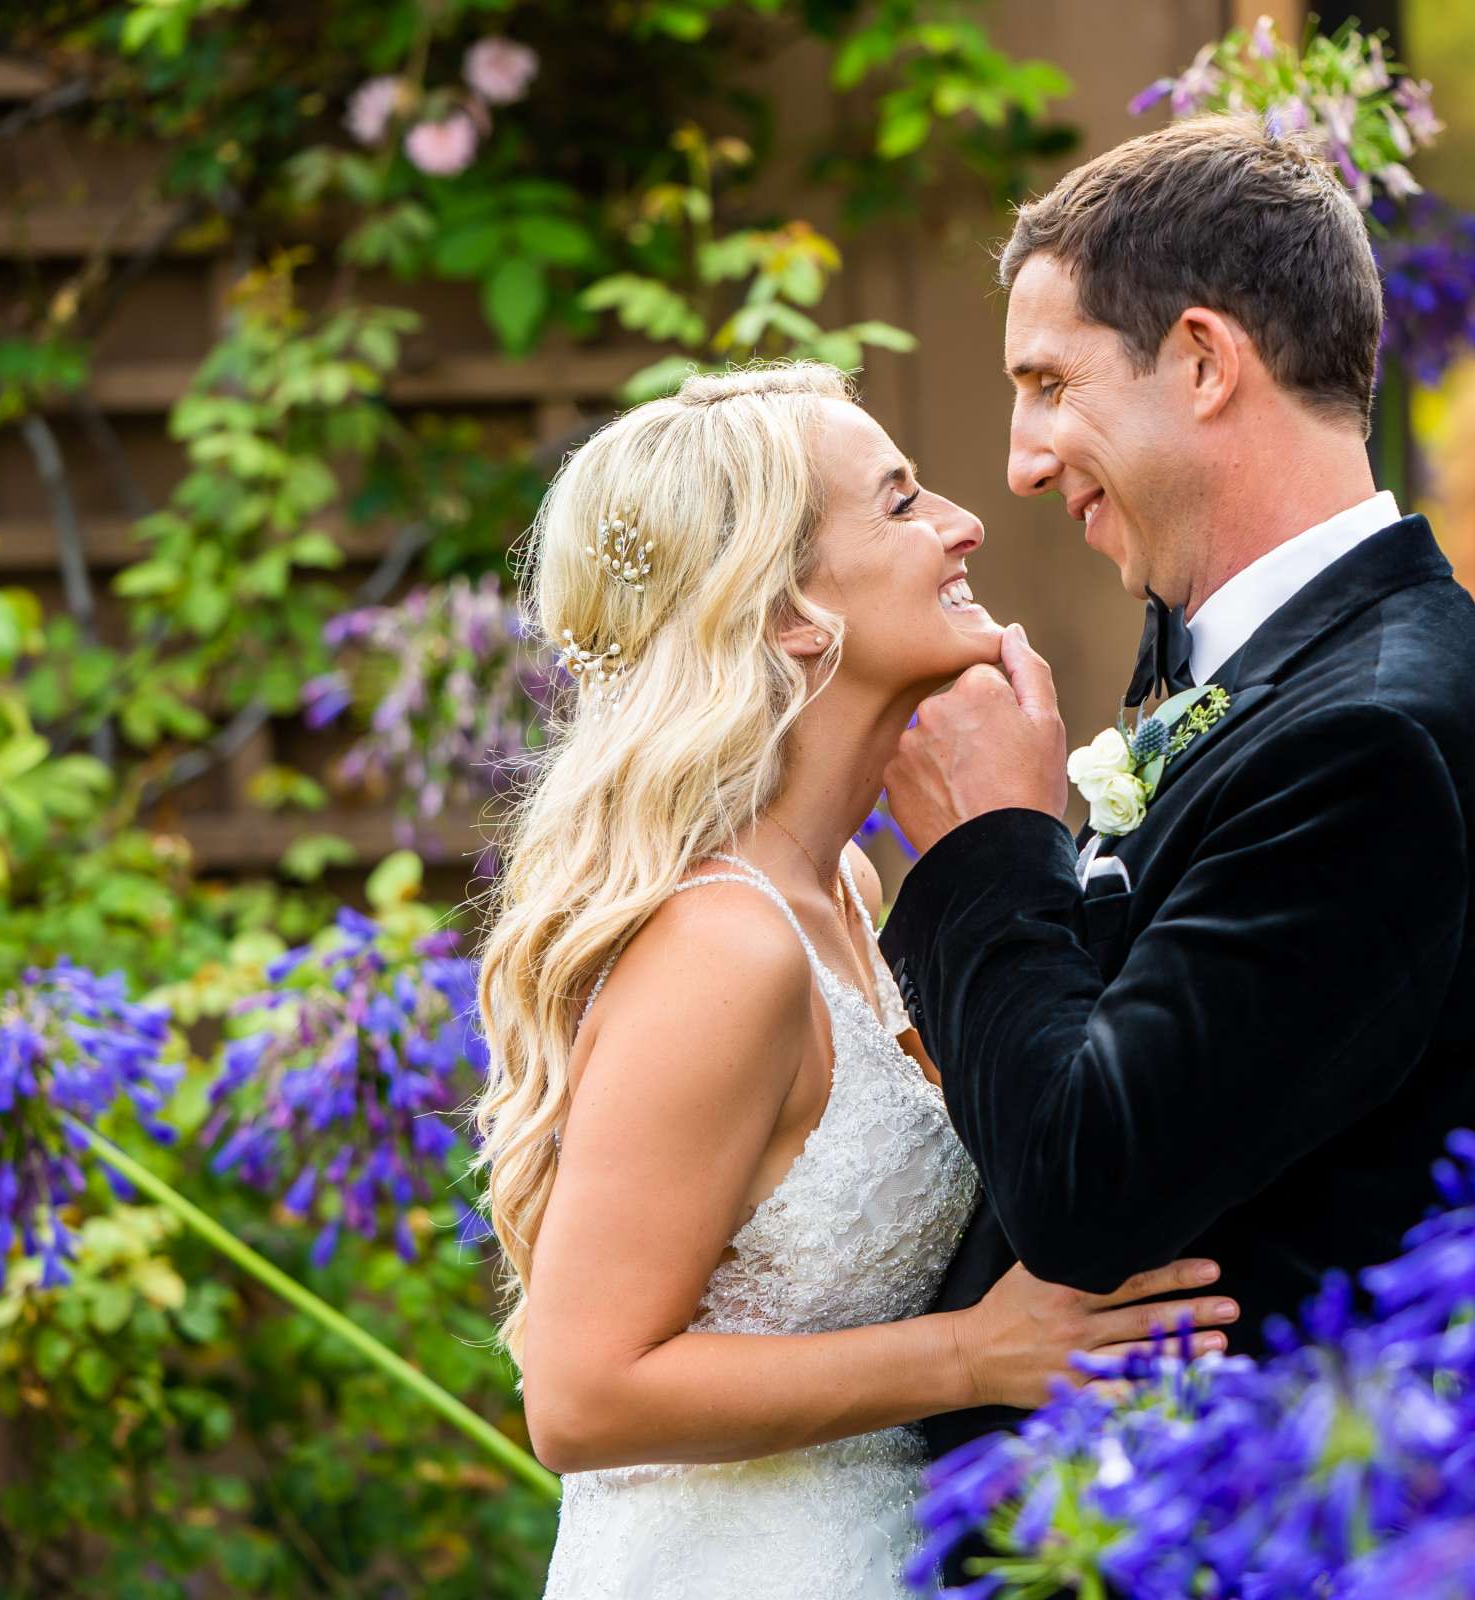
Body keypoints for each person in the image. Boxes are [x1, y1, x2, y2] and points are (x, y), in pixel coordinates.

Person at [877, 113, 1475, 1519]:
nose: (1021, 460)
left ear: (1200, 361)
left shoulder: (1371, 739)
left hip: (1214, 1528)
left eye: (1051, 384)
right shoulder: (1290, 681)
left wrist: (984, 848)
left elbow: (1091, 1191)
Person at [468, 364, 1238, 1599]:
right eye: (899, 503)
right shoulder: (727, 945)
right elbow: (578, 1392)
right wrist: (975, 1356)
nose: (963, 521)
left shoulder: (848, 901)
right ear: (787, 612)